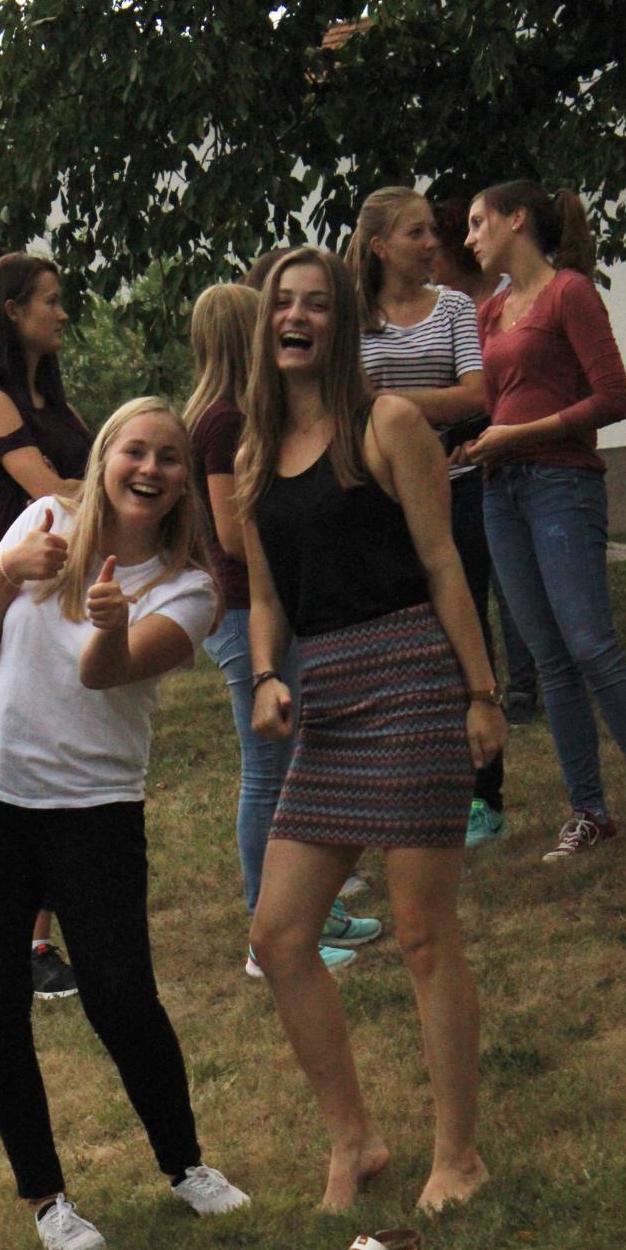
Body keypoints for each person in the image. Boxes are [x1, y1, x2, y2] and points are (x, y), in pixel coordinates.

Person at [0, 397, 250, 1250]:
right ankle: (47, 1200)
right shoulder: (42, 522)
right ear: (105, 457)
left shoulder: (192, 588)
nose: (149, 469)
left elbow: (104, 676)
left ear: (184, 483)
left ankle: (186, 1165)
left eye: (169, 458)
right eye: (134, 452)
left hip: (96, 811)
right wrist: (7, 572)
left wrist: (111, 626)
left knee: (121, 999)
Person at [238, 248, 506, 1214]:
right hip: (327, 695)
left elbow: (442, 564)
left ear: (342, 324)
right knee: (279, 935)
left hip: (413, 677)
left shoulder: (388, 423)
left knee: (424, 934)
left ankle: (459, 1156)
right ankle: (355, 1140)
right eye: (283, 303)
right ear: (264, 323)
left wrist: (481, 694)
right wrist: (266, 675)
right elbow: (266, 599)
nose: (297, 317)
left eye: (317, 304)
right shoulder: (253, 456)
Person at [464, 181, 626, 860]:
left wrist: (521, 433)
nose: (469, 238)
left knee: (591, 645)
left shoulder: (570, 294)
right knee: (550, 658)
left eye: (478, 222)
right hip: (501, 491)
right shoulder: (491, 311)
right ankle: (588, 811)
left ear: (517, 220)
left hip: (562, 483)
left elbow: (614, 398)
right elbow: (493, 403)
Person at [184, 282, 376, 975]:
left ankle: (311, 911)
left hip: (263, 608)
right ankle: (266, 936)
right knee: (268, 772)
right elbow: (234, 535)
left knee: (295, 764)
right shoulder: (222, 422)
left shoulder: (240, 416)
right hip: (245, 613)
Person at [345, 185, 508, 849]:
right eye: (416, 233)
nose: (433, 243)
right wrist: (409, 408)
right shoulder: (351, 318)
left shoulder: (454, 308)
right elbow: (343, 403)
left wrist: (390, 406)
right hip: (376, 498)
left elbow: (477, 394)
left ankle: (483, 794)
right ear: (380, 247)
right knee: (393, 635)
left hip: (455, 487)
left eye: (431, 232)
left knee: (465, 621)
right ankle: (408, 785)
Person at [0, 251, 94, 998]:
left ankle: (41, 928)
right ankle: (31, 942)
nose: (62, 313)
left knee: (69, 757)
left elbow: (95, 483)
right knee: (36, 766)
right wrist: (105, 490)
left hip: (70, 596)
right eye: (50, 300)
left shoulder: (56, 405)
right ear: (12, 311)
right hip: (23, 604)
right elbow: (56, 495)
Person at [432, 195, 539, 725]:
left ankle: (525, 686)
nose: (427, 259)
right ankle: (485, 687)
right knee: (470, 583)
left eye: (434, 248)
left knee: (510, 582)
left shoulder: (499, 301)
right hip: (457, 464)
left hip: (499, 458)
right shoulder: (442, 307)